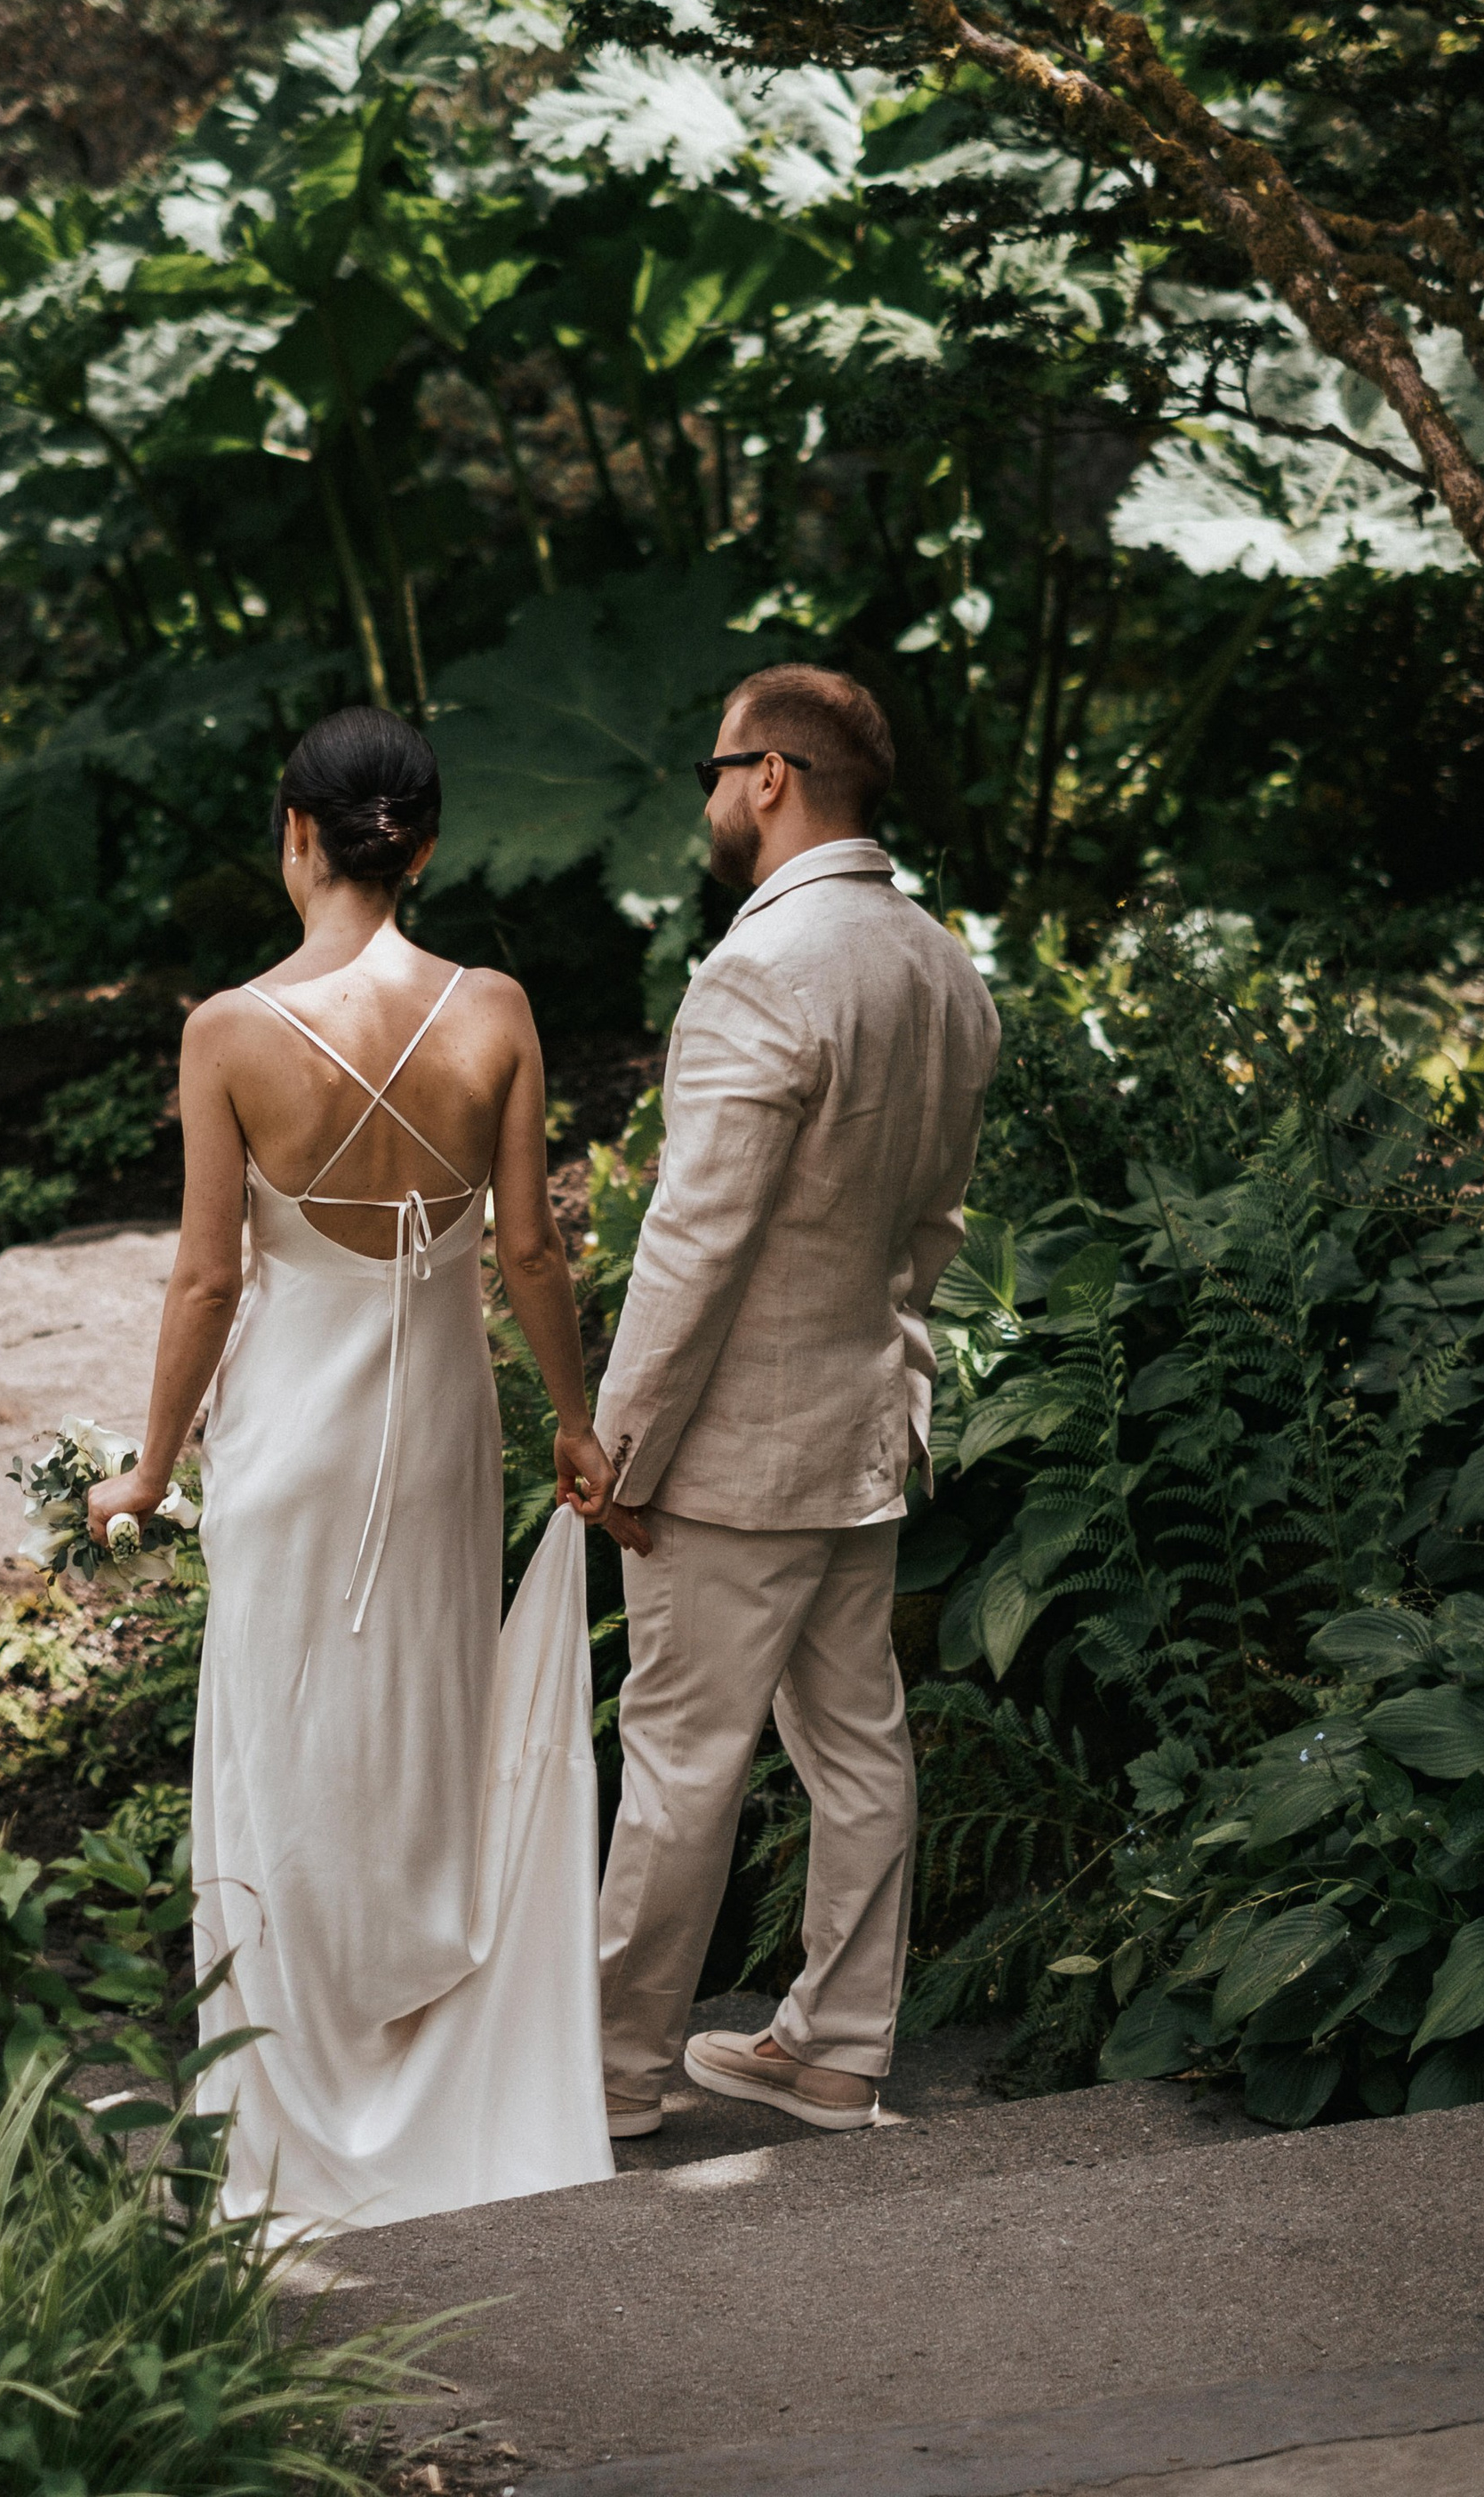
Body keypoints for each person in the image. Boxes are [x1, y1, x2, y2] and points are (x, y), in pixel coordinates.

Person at [85, 706, 618, 2232]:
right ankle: (441, 2077)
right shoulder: (496, 1009)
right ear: (427, 844)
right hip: (440, 1422)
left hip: (293, 1445)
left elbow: (203, 1283)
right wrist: (575, 1423)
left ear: (297, 835)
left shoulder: (230, 1032)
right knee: (426, 1737)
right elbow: (527, 1249)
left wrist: (145, 1470)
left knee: (285, 1748)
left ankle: (293, 2125)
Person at [583, 664, 1000, 2137]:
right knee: (858, 1741)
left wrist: (618, 1447)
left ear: (770, 776)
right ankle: (837, 2050)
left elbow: (697, 1239)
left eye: (713, 769)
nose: (705, 799)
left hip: (736, 1455)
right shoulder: (946, 969)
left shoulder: (762, 971)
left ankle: (616, 2075)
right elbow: (935, 1229)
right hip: (865, 1426)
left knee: (683, 1758)